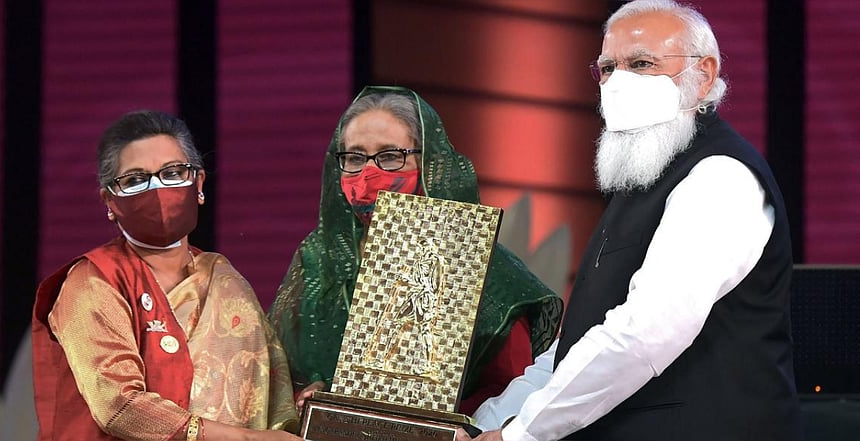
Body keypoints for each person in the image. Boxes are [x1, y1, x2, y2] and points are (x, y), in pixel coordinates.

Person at [467, 1, 803, 440]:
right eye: (608, 68)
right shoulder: (643, 183)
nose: (618, 82)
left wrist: (523, 433)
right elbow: (574, 348)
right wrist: (482, 424)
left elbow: (646, 332)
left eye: (641, 64)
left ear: (702, 75)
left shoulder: (720, 176)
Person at [268, 86, 564, 415]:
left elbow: (514, 393)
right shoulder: (319, 259)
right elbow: (279, 374)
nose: (368, 175)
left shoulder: (486, 271)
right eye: (354, 157)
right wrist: (311, 394)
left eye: (390, 156)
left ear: (430, 163)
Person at [31, 110, 301, 441]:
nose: (157, 189)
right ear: (110, 202)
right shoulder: (92, 282)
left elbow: (268, 391)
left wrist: (305, 405)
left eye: (172, 173)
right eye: (134, 180)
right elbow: (120, 408)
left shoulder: (225, 281)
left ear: (198, 183)